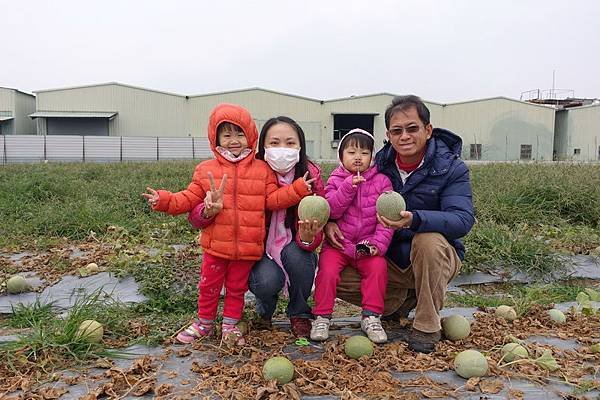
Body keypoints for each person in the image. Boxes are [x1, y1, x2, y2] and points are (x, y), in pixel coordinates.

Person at [143, 104, 313, 346]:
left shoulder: (262, 169)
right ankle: (204, 324)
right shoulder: (206, 170)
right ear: (216, 138)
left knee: (236, 289)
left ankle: (230, 325)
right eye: (227, 134)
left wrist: (296, 190)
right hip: (215, 247)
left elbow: (272, 200)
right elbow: (188, 198)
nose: (234, 140)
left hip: (246, 250)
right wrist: (165, 200)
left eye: (240, 133)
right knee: (208, 287)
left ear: (251, 136)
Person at [326, 96, 475, 353]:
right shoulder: (378, 165)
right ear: (388, 135)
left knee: (427, 240)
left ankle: (427, 324)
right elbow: (345, 199)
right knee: (331, 272)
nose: (404, 136)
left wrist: (415, 219)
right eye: (397, 131)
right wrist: (329, 221)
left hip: (434, 256)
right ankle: (398, 303)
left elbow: (462, 220)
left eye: (412, 128)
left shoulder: (451, 168)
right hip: (389, 257)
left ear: (428, 130)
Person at [189, 116, 325, 338]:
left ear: (301, 145)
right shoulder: (250, 171)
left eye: (290, 143)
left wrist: (308, 237)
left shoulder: (311, 177)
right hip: (256, 249)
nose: (282, 149)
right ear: (262, 145)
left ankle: (300, 312)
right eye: (274, 143)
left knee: (299, 257)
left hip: (295, 246)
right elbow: (195, 215)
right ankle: (264, 311)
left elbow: (319, 222)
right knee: (266, 280)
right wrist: (207, 211)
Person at [310, 128, 394, 344]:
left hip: (366, 244)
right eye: (352, 152)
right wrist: (347, 188)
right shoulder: (336, 180)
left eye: (365, 153)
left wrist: (377, 244)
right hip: (338, 244)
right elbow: (331, 211)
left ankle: (371, 317)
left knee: (377, 268)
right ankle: (322, 317)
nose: (358, 157)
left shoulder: (382, 182)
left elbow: (386, 218)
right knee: (327, 271)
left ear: (372, 158)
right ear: (341, 156)